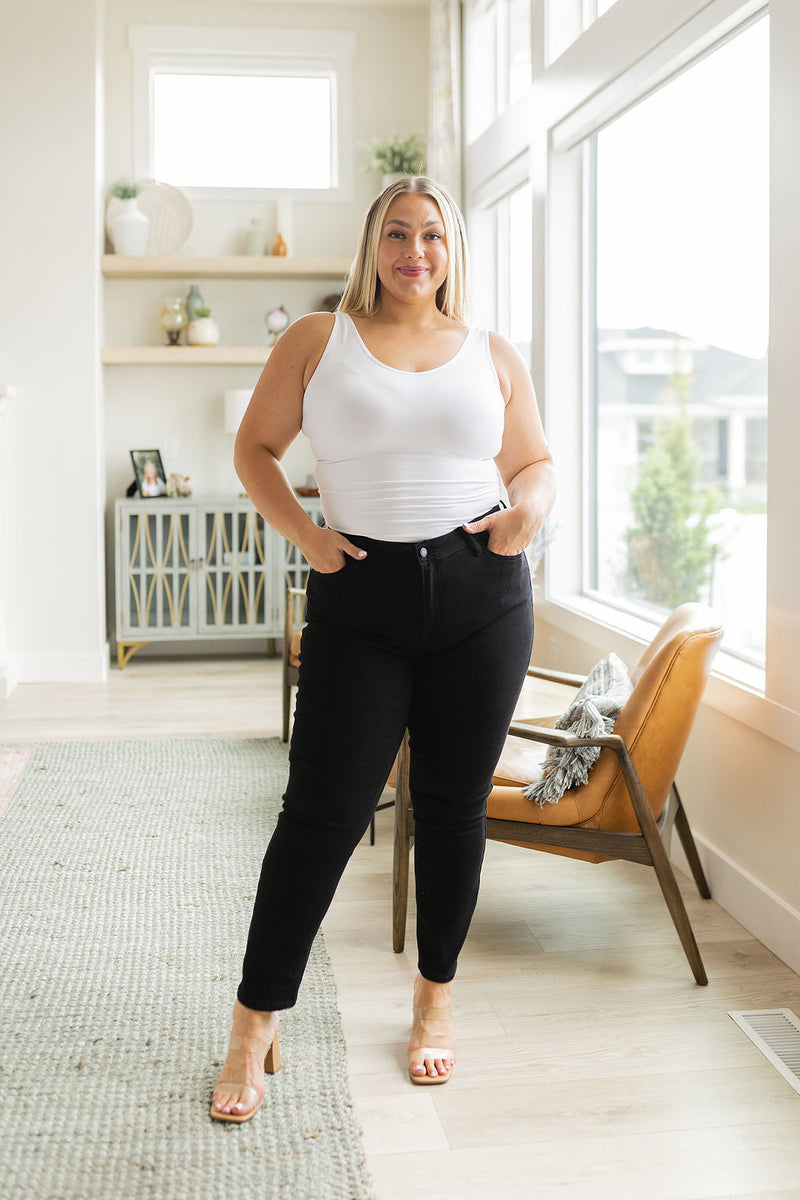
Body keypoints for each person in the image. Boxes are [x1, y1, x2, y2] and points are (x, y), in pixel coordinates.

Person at [211, 176, 556, 1122]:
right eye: (398, 234)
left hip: (483, 597)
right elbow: (255, 450)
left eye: (432, 235)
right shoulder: (317, 339)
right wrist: (306, 537)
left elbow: (533, 461)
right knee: (320, 816)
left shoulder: (491, 352)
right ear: (373, 244)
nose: (415, 252)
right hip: (360, 597)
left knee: (450, 813)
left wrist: (528, 511)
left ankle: (435, 999)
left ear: (452, 250)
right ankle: (253, 1019)